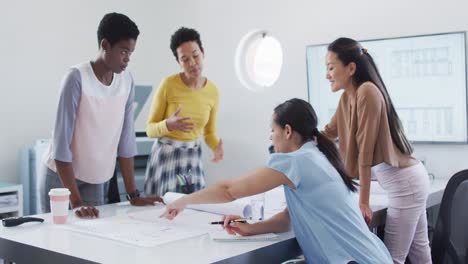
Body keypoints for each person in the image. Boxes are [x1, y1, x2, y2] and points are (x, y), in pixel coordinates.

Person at [161, 98, 392, 264]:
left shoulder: (296, 161)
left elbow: (229, 191)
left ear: (288, 131)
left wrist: (182, 201)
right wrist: (251, 229)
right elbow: (288, 220)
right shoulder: (319, 156)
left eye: (272, 130)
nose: (271, 136)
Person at [40, 12, 162, 219]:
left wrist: (133, 195)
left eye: (131, 52)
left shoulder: (126, 81)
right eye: (123, 51)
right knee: (58, 240)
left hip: (96, 178)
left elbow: (126, 140)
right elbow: (61, 146)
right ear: (105, 45)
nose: (128, 59)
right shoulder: (76, 78)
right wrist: (76, 202)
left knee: (91, 242)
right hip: (61, 178)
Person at [322, 37, 431, 263]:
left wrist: (363, 202)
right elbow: (329, 133)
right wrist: (298, 137)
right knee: (420, 256)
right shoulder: (347, 98)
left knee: (391, 259)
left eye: (331, 67)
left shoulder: (367, 92)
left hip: (405, 184)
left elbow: (366, 151)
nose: (327, 75)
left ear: (351, 68)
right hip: (407, 181)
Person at [144, 27, 223, 197]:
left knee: (193, 207)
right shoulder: (168, 85)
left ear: (203, 53)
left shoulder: (213, 91)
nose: (192, 63)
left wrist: (216, 146)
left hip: (192, 158)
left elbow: (209, 133)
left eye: (195, 56)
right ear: (178, 62)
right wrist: (168, 125)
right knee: (162, 210)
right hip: (166, 157)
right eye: (185, 59)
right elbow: (150, 129)